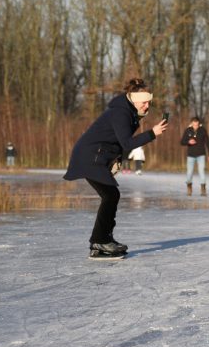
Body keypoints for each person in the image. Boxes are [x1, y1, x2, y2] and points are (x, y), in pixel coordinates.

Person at [63, 78, 167, 259]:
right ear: (134, 99)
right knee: (110, 195)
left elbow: (115, 140)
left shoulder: (128, 112)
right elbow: (127, 143)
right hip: (90, 157)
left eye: (149, 102)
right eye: (144, 102)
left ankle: (102, 241)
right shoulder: (121, 113)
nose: (147, 106)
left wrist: (117, 158)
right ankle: (100, 241)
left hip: (95, 156)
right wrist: (152, 133)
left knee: (110, 195)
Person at [180, 116, 209, 196]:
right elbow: (182, 142)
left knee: (202, 172)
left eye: (197, 125)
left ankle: (203, 190)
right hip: (190, 155)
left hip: (201, 155)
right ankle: (189, 187)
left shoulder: (203, 130)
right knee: (189, 173)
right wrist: (188, 141)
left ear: (199, 124)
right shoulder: (188, 130)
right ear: (191, 123)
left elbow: (208, 142)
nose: (196, 126)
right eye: (194, 125)